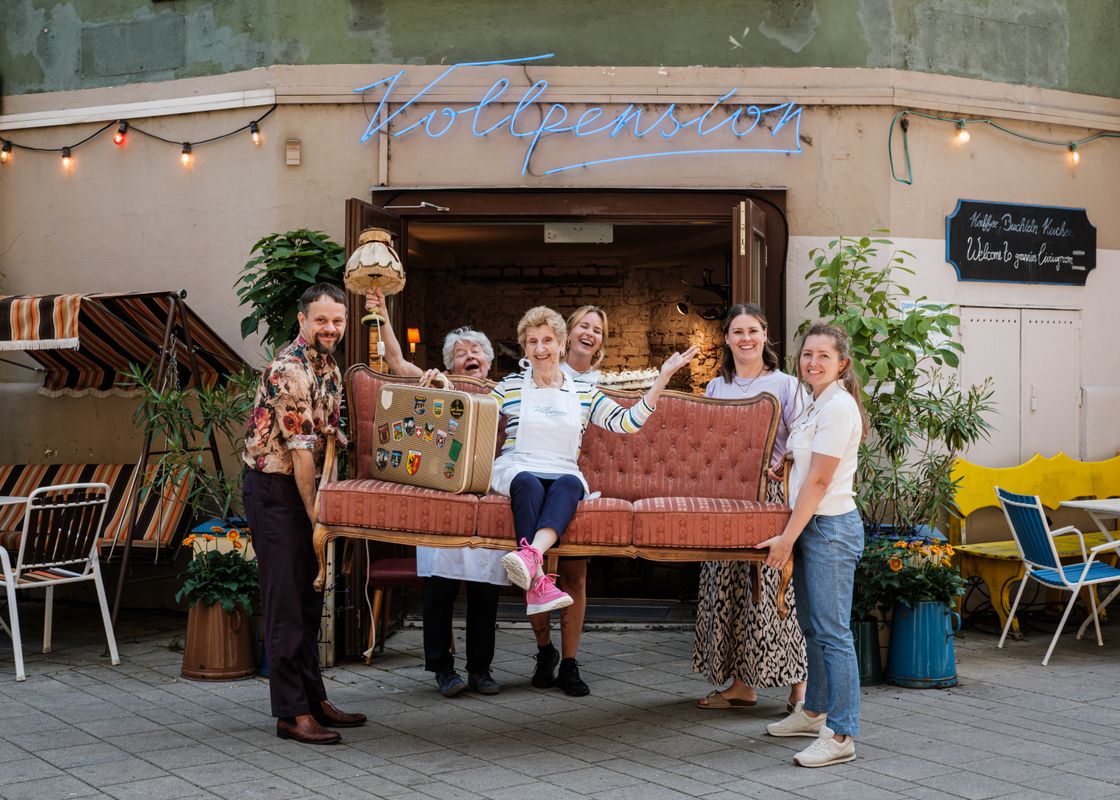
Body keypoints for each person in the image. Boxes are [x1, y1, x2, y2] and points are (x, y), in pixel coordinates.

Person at [493, 306, 698, 641]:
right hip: (518, 465)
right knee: (528, 483)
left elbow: (626, 423)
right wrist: (441, 386)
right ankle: (536, 568)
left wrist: (663, 378)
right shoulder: (511, 386)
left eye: (547, 340)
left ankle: (530, 556)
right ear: (525, 348)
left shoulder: (583, 392)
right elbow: (476, 415)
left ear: (561, 344)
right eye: (532, 342)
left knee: (572, 483)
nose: (540, 348)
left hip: (561, 468)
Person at [365, 288, 509, 698]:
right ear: (449, 363)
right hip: (443, 499)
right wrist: (382, 315)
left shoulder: (504, 391)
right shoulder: (435, 383)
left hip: (486, 498)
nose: (470, 354)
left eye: (477, 349)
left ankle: (481, 669)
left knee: (485, 587)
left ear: (488, 360)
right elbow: (394, 361)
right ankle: (443, 669)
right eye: (461, 351)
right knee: (440, 586)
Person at [242, 283, 367, 745]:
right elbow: (302, 453)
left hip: (307, 488)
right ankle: (291, 713)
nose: (330, 328)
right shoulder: (290, 371)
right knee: (286, 603)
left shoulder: (328, 366)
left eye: (337, 320)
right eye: (321, 320)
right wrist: (316, 510)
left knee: (311, 599)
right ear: (302, 320)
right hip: (277, 490)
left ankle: (314, 700)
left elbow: (331, 440)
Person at [757, 322, 867, 768]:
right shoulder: (814, 404)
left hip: (829, 529)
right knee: (814, 629)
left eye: (824, 355)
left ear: (842, 363)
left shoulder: (838, 407)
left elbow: (822, 481)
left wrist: (786, 538)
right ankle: (814, 712)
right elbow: (809, 468)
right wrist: (785, 469)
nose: (813, 362)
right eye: (807, 354)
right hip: (813, 527)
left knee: (834, 633)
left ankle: (841, 734)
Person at [694, 304, 808, 712]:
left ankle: (800, 689)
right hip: (725, 500)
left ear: (764, 336)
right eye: (737, 331)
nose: (745, 338)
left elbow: (804, 436)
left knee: (776, 593)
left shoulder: (787, 385)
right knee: (730, 592)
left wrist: (785, 459)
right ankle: (743, 686)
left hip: (770, 498)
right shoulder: (714, 388)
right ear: (726, 338)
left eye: (753, 330)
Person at [529, 305, 607, 696]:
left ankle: (571, 662)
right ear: (566, 333)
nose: (589, 332)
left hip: (575, 483)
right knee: (535, 567)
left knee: (574, 573)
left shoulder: (595, 386)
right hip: (536, 477)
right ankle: (545, 651)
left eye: (597, 329)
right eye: (583, 325)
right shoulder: (534, 374)